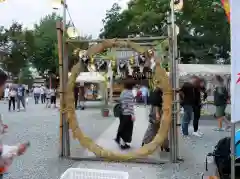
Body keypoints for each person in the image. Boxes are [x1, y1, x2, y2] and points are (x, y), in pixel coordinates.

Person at [142, 87, 169, 151]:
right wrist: (157, 115)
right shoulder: (158, 94)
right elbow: (157, 105)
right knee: (154, 129)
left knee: (155, 129)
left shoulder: (153, 92)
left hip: (156, 113)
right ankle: (164, 145)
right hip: (157, 114)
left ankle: (164, 145)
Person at [115, 80, 135, 149]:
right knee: (127, 130)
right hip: (128, 114)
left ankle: (120, 140)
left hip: (122, 113)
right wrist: (132, 115)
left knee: (122, 128)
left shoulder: (123, 92)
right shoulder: (130, 93)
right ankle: (123, 145)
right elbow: (130, 105)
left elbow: (120, 100)